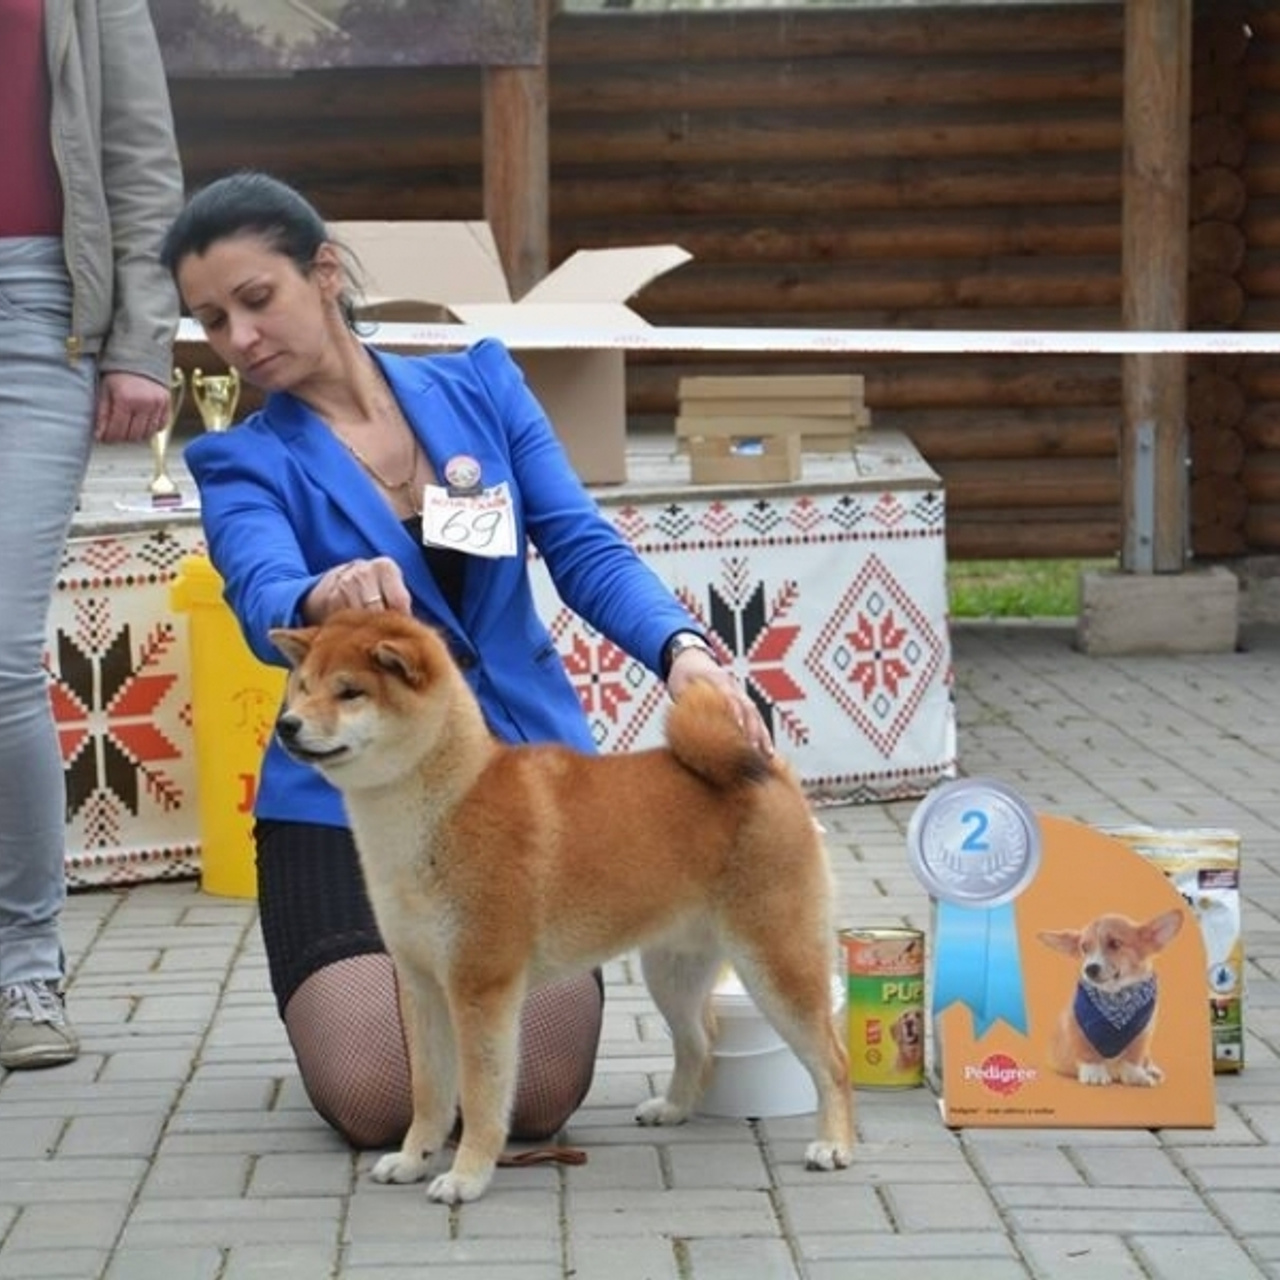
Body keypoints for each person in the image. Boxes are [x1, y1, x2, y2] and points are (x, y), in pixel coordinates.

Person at [160, 170, 771, 1150]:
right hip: (343, 811)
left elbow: (580, 545)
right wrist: (319, 597)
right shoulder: (240, 461)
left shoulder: (481, 383)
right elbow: (257, 583)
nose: (239, 337)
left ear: (324, 272)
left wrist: (684, 650)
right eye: (211, 319)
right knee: (376, 1091)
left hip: (517, 795)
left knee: (535, 1094)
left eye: (255, 299)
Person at [0, 0, 183, 1070]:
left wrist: (141, 343)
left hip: (36, 315)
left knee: (1, 656)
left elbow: (142, 162)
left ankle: (25, 970)